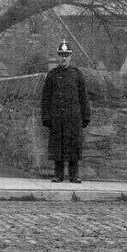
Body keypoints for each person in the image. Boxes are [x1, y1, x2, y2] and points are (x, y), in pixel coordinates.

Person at [40, 41, 90, 183]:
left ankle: (74, 175)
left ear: (70, 57)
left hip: (73, 117)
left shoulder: (77, 74)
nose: (64, 58)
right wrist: (46, 117)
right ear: (58, 56)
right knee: (58, 146)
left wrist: (86, 116)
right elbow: (46, 98)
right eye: (61, 55)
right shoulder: (52, 75)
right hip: (57, 117)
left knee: (74, 145)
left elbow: (83, 97)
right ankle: (58, 175)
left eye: (66, 55)